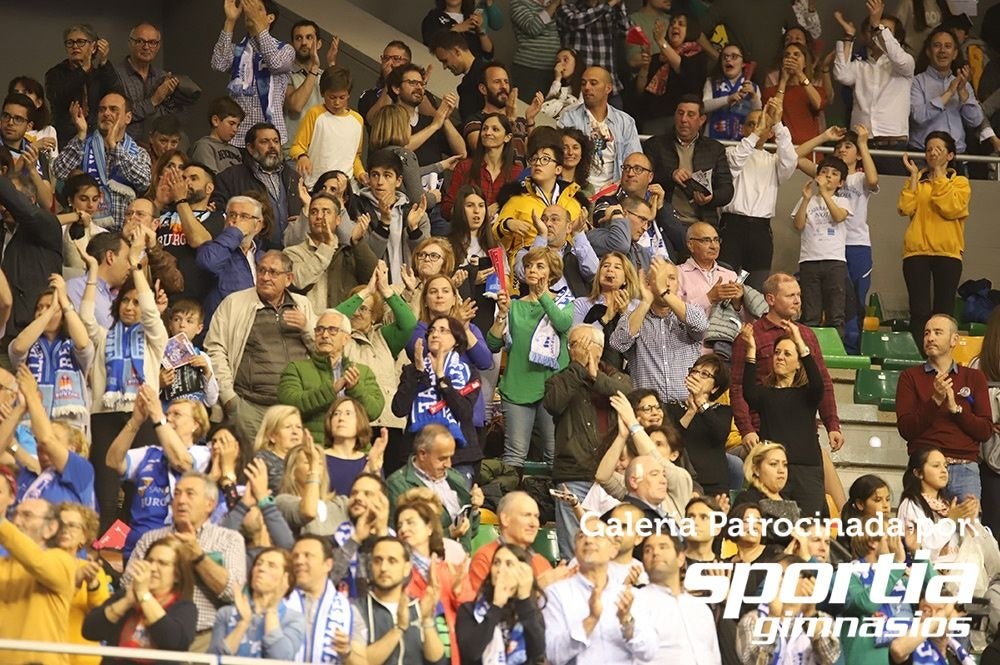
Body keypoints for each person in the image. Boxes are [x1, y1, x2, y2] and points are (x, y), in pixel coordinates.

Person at [80, 240, 168, 529]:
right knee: (105, 496)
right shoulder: (105, 336)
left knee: (136, 496)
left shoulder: (155, 338)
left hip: (142, 417)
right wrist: (93, 272)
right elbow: (85, 320)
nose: (130, 307)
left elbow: (151, 314)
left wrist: (135, 268)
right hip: (104, 417)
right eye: (125, 302)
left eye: (135, 302)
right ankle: (102, 566)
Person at [123, 472, 247, 651]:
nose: (181, 500)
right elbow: (127, 586)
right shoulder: (150, 539)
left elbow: (232, 593)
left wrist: (199, 557)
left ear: (210, 504)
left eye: (190, 494)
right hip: (150, 634)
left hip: (204, 639)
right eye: (177, 493)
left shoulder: (229, 539)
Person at [206, 250, 316, 448]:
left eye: (273, 273)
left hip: (294, 410)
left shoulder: (303, 306)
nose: (265, 277)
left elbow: (324, 351)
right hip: (250, 407)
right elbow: (215, 349)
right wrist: (230, 399)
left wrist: (307, 328)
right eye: (262, 270)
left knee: (290, 471)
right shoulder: (235, 303)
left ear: (288, 279)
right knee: (252, 471)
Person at [730, 273, 844, 456]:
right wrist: (747, 429)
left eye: (799, 295)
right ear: (770, 299)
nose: (797, 301)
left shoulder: (807, 335)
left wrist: (832, 425)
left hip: (803, 430)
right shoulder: (751, 336)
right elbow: (737, 387)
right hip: (765, 432)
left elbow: (823, 382)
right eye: (790, 296)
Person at [545, 324, 633, 556]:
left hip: (612, 477)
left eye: (583, 345)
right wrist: (576, 368)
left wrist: (596, 377)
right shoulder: (559, 380)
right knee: (572, 551)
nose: (578, 351)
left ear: (600, 350)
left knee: (613, 547)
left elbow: (630, 398)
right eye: (573, 345)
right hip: (573, 474)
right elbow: (553, 404)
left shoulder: (618, 378)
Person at [487, 247, 574, 468]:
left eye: (539, 266)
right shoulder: (513, 305)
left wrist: (543, 294)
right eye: (528, 266)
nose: (532, 270)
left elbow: (563, 323)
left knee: (555, 455)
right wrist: (502, 316)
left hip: (552, 390)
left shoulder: (564, 302)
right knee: (514, 456)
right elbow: (493, 344)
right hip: (518, 387)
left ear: (552, 273)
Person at [106, 386, 212, 558]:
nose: (169, 419)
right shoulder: (149, 453)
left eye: (176, 415)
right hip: (136, 548)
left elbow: (181, 462)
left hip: (172, 548)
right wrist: (135, 422)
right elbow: (113, 461)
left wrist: (157, 416)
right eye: (167, 414)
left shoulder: (204, 455)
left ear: (195, 424)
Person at [896, 314, 992, 501]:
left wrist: (956, 409)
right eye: (926, 333)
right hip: (924, 469)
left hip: (964, 468)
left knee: (965, 530)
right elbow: (906, 428)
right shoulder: (909, 377)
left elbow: (985, 431)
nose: (930, 338)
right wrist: (935, 401)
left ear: (954, 339)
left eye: (938, 332)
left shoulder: (974, 377)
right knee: (923, 529)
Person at [739, 320, 827, 517]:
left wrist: (799, 341)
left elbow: (818, 384)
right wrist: (751, 349)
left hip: (807, 472)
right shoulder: (764, 394)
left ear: (798, 364)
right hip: (773, 470)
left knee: (808, 528)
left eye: (787, 354)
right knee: (776, 528)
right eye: (777, 353)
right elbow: (748, 392)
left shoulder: (807, 394)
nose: (779, 357)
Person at [335, 266, 417, 474]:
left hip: (389, 423)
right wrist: (366, 291)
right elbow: (334, 318)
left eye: (364, 308)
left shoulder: (384, 337)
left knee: (389, 484)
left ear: (375, 316)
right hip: (353, 422)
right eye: (355, 305)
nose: (357, 311)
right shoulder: (337, 338)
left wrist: (385, 290)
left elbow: (408, 324)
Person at [542, 524, 656, 664]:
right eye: (582, 536)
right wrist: (590, 620)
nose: (588, 540)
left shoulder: (631, 596)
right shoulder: (555, 593)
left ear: (613, 549)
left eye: (597, 535)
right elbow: (553, 654)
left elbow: (648, 653)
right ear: (575, 549)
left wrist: (627, 622)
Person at [898, 131, 971, 345]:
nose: (932, 153)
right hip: (916, 252)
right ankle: (922, 359)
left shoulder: (960, 182)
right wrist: (913, 177)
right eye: (929, 149)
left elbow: (950, 207)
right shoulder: (917, 180)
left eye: (938, 149)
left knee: (943, 311)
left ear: (950, 155)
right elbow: (905, 208)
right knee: (919, 311)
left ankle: (942, 357)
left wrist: (939, 174)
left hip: (947, 252)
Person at [718, 100, 797, 291]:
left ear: (770, 133)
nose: (757, 128)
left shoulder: (774, 161)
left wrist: (778, 124)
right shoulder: (730, 152)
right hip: (732, 228)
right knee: (725, 283)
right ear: (744, 129)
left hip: (761, 231)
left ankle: (751, 322)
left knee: (756, 290)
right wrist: (755, 134)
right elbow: (736, 163)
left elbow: (791, 161)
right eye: (751, 124)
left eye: (762, 125)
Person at [393, 317, 483, 479]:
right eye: (432, 331)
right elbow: (399, 409)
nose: (435, 334)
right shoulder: (412, 371)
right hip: (417, 454)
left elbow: (464, 412)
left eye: (443, 330)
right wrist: (419, 373)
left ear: (456, 340)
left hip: (458, 456)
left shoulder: (467, 371)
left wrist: (441, 377)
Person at [82, 536, 198, 662]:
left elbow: (173, 641)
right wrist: (126, 602)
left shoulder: (185, 608)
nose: (152, 568)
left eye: (162, 563)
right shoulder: (125, 596)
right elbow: (90, 630)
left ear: (177, 575)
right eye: (149, 561)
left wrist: (143, 595)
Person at [610, 257, 708, 403]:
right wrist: (646, 301)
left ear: (678, 285)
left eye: (671, 278)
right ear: (648, 284)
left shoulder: (691, 312)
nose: (666, 283)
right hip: (649, 411)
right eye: (660, 278)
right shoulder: (634, 318)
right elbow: (618, 343)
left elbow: (700, 326)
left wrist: (663, 291)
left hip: (688, 408)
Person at [277, 309, 383, 443]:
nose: (325, 335)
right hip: (313, 450)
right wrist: (331, 390)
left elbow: (374, 411)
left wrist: (355, 388)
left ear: (346, 338)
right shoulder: (296, 368)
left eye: (332, 330)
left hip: (353, 450)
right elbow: (289, 404)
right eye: (319, 330)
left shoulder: (362, 371)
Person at [52, 91, 152, 230]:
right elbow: (59, 172)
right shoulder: (83, 145)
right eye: (102, 110)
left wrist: (114, 146)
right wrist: (81, 134)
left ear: (128, 117)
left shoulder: (138, 152)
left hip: (124, 234)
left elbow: (144, 182)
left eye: (113, 109)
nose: (106, 113)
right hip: (87, 231)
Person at [0, 491, 77, 665]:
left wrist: (2, 525)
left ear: (51, 529)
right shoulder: (3, 565)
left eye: (27, 515)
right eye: (15, 515)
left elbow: (36, 561)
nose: (16, 521)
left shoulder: (63, 561)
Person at [832, 0, 914, 163]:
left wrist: (877, 25)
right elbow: (841, 74)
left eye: (886, 31)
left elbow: (897, 57)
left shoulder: (904, 63)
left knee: (892, 189)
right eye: (873, 29)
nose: (877, 33)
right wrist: (849, 36)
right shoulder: (860, 66)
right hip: (861, 143)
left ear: (896, 38)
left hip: (893, 144)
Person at [10, 274, 93, 430]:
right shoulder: (27, 343)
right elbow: (18, 347)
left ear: (64, 316)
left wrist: (64, 303)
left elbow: (83, 343)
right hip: (29, 425)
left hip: (70, 429)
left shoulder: (73, 344)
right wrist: (53, 310)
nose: (42, 312)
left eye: (50, 307)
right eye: (39, 308)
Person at [385, 424, 484, 552]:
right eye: (442, 458)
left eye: (450, 457)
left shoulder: (455, 478)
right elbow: (396, 539)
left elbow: (471, 532)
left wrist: (474, 510)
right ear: (422, 454)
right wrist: (448, 534)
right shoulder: (397, 485)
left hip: (460, 563)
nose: (448, 464)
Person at [643, 96, 734, 233]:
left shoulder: (715, 149)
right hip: (663, 222)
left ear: (702, 120)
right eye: (680, 113)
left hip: (702, 224)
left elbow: (727, 190)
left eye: (690, 114)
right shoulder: (655, 144)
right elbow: (643, 179)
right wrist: (671, 174)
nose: (684, 119)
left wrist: (711, 197)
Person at [211, 0, 295, 147]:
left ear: (270, 18)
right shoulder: (238, 50)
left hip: (270, 138)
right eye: (248, 9)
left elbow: (275, 63)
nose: (249, 13)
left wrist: (259, 28)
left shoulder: (285, 50)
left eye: (257, 10)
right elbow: (219, 64)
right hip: (237, 136)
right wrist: (230, 21)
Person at [493, 137, 586, 266]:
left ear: (558, 169)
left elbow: (583, 242)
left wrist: (584, 228)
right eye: (534, 159)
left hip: (567, 265)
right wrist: (507, 224)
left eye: (545, 159)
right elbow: (493, 237)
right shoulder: (516, 199)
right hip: (527, 266)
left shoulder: (573, 202)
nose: (537, 163)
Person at [735, 553, 842, 665]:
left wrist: (810, 616)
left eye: (786, 575)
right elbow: (753, 662)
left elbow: (829, 658)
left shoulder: (823, 620)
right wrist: (772, 617)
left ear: (806, 582)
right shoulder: (752, 620)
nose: (779, 581)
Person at [12, 366, 95, 509]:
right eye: (36, 441)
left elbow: (46, 439)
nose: (40, 445)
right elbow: (9, 445)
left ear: (72, 449)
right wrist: (19, 409)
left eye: (56, 438)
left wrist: (31, 394)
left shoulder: (82, 471)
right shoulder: (29, 475)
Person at [210, 122, 303, 249]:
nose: (272, 146)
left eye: (276, 141)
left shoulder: (293, 176)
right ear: (250, 147)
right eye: (264, 142)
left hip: (291, 252)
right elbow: (220, 213)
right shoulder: (230, 178)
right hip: (252, 251)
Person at [633, 532, 721, 663]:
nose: (655, 552)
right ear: (643, 562)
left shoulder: (701, 609)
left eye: (663, 547)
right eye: (648, 550)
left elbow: (713, 656)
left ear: (680, 558)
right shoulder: (635, 602)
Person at [910, 27, 999, 156]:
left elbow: (975, 121)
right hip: (924, 155)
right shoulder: (916, 82)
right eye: (937, 46)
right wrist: (949, 93)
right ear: (928, 52)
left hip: (957, 155)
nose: (942, 51)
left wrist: (963, 94)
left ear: (955, 53)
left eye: (948, 46)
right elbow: (918, 116)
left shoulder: (963, 83)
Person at [361, 536, 448, 665]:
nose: (383, 567)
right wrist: (399, 629)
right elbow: (357, 661)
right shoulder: (356, 608)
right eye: (377, 560)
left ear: (407, 568)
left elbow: (438, 662)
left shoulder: (418, 607)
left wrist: (427, 620)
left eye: (392, 561)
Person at [455, 543, 547, 665]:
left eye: (509, 564)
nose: (500, 569)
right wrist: (496, 605)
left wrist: (524, 600)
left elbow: (537, 653)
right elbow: (471, 654)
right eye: (496, 563)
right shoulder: (469, 610)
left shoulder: (530, 612)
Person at [792, 156, 852, 334]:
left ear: (840, 183)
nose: (828, 176)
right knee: (811, 311)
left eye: (834, 174)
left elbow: (839, 216)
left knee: (835, 311)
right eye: (824, 172)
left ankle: (837, 353)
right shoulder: (808, 199)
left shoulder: (843, 201)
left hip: (834, 261)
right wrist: (805, 199)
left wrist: (825, 193)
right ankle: (809, 350)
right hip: (809, 260)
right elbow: (798, 224)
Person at [210, 547, 306, 659]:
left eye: (271, 565)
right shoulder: (226, 613)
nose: (261, 568)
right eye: (258, 564)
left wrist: (271, 610)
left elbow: (279, 657)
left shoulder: (294, 619)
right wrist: (243, 623)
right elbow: (213, 658)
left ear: (286, 578)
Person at [354, 148, 430, 285]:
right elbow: (365, 260)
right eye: (375, 175)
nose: (380, 182)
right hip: (375, 291)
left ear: (398, 181)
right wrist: (383, 224)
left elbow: (427, 258)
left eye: (387, 175)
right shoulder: (359, 210)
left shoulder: (414, 212)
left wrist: (414, 230)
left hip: (409, 290)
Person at [558, 67, 642, 191]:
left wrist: (617, 189)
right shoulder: (569, 117)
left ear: (608, 88)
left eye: (593, 83)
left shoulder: (625, 122)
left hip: (615, 192)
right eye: (583, 83)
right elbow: (560, 157)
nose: (586, 87)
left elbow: (635, 162)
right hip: (577, 190)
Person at [287, 535, 368, 662]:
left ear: (328, 564)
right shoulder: (277, 601)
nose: (299, 561)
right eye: (295, 556)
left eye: (307, 555)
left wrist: (347, 653)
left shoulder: (348, 611)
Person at [115, 22, 198, 143]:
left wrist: (169, 98)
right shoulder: (116, 76)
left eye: (152, 43)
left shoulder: (162, 77)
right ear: (130, 43)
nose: (146, 47)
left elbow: (180, 120)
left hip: (159, 148)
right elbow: (118, 116)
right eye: (140, 41)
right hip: (125, 147)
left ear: (158, 47)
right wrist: (154, 100)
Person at [155, 162, 225, 303]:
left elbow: (197, 239)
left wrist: (180, 199)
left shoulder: (218, 218)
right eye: (184, 178)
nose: (186, 183)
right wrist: (159, 201)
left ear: (209, 188)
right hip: (158, 296)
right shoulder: (164, 215)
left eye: (193, 179)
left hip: (195, 301)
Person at [665, 354, 733, 496]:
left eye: (704, 374)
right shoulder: (671, 408)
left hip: (714, 484)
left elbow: (720, 434)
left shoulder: (723, 411)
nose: (696, 376)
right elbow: (672, 441)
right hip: (681, 481)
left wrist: (701, 403)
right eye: (694, 371)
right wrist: (690, 411)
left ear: (715, 388)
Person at [45, 23, 121, 147]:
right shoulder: (55, 73)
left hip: (98, 137)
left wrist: (104, 61)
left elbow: (116, 94)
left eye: (80, 42)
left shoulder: (101, 73)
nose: (75, 46)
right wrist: (83, 70)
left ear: (93, 47)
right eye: (70, 42)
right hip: (66, 138)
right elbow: (58, 97)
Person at [290, 67, 366, 189]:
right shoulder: (315, 114)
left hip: (344, 189)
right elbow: (297, 147)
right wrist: (302, 157)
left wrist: (361, 173)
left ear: (349, 95)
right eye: (332, 97)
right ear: (322, 93)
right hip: (316, 185)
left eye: (342, 97)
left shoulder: (357, 120)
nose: (337, 103)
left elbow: (355, 156)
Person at [634, 14, 710, 135]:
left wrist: (660, 41)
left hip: (682, 121)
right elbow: (640, 91)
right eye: (673, 23)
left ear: (690, 30)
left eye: (681, 24)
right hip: (653, 120)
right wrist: (645, 68)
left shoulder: (697, 57)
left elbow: (682, 67)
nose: (675, 26)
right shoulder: (658, 58)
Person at [55, 502, 111, 665]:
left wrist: (92, 583)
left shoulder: (93, 570)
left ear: (84, 536)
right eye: (60, 524)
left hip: (83, 657)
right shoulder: (41, 564)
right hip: (46, 654)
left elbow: (101, 615)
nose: (65, 529)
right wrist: (76, 582)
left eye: (73, 526)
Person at [442, 114, 518, 221]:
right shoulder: (465, 166)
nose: (488, 133)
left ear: (507, 137)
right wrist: (478, 212)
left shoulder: (517, 172)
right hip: (466, 232)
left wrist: (499, 206)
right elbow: (446, 209)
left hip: (500, 233)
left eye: (495, 129)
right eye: (484, 129)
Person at [572, 252, 641, 369]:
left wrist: (625, 314)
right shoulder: (582, 304)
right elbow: (576, 342)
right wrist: (605, 318)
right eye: (605, 266)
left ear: (626, 279)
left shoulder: (636, 306)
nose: (610, 269)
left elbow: (641, 347)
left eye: (617, 267)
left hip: (626, 374)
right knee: (598, 310)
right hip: (589, 366)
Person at [556, 0, 631, 104]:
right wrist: (609, 4)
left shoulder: (611, 11)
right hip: (578, 88)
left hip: (608, 86)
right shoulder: (567, 9)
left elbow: (626, 31)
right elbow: (576, 22)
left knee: (617, 119)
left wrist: (620, 5)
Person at [515, 203, 598, 297]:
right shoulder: (525, 252)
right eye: (544, 220)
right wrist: (542, 235)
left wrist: (578, 233)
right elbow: (523, 275)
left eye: (554, 219)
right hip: (540, 309)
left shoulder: (576, 253)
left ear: (568, 227)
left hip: (575, 309)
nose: (548, 224)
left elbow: (593, 272)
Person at [283, 19, 338, 154]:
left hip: (321, 151)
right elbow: (295, 106)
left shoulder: (325, 75)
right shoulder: (284, 74)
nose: (304, 43)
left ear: (318, 44)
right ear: (292, 44)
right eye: (298, 38)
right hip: (293, 153)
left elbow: (338, 105)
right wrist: (314, 68)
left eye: (309, 38)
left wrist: (331, 64)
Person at [275, 440, 349, 538]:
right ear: (292, 472)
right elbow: (308, 512)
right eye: (309, 462)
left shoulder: (340, 504)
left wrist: (372, 468)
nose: (316, 467)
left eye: (320, 463)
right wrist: (313, 473)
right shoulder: (283, 502)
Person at [320, 396, 389, 496]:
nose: (341, 418)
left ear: (360, 421)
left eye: (348, 413)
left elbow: (376, 502)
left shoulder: (369, 461)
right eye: (336, 414)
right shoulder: (318, 459)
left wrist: (374, 470)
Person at [762, 42, 828, 145]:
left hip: (809, 149)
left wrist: (800, 74)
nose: (791, 58)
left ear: (805, 63)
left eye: (796, 55)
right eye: (787, 55)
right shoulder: (771, 92)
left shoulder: (816, 90)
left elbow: (818, 104)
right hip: (781, 149)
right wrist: (783, 81)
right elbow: (772, 115)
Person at [704, 43, 762, 141]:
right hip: (714, 139)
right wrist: (727, 99)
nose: (728, 59)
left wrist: (754, 97)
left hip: (743, 142)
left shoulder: (753, 87)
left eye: (734, 56)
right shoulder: (712, 82)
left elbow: (759, 116)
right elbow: (703, 107)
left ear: (743, 63)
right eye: (725, 57)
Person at [510, 0, 564, 102]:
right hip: (529, 69)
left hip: (552, 70)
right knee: (524, 110)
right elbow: (533, 28)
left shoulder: (552, 4)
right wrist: (554, 5)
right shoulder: (519, 3)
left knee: (546, 112)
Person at [428, 30, 486, 121]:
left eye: (445, 61)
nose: (444, 67)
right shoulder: (471, 78)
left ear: (457, 51)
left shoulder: (486, 75)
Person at [252, 404, 305, 494]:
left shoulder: (307, 460)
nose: (295, 432)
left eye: (299, 427)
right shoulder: (262, 460)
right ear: (272, 435)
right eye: (288, 427)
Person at [421, 0, 499, 60]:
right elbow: (430, 42)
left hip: (473, 71)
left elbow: (488, 53)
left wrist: (481, 31)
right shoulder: (433, 16)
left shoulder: (471, 18)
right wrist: (456, 29)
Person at [189, 96, 246, 174]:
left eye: (238, 125)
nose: (235, 129)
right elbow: (209, 177)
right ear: (215, 121)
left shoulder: (235, 151)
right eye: (231, 123)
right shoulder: (204, 146)